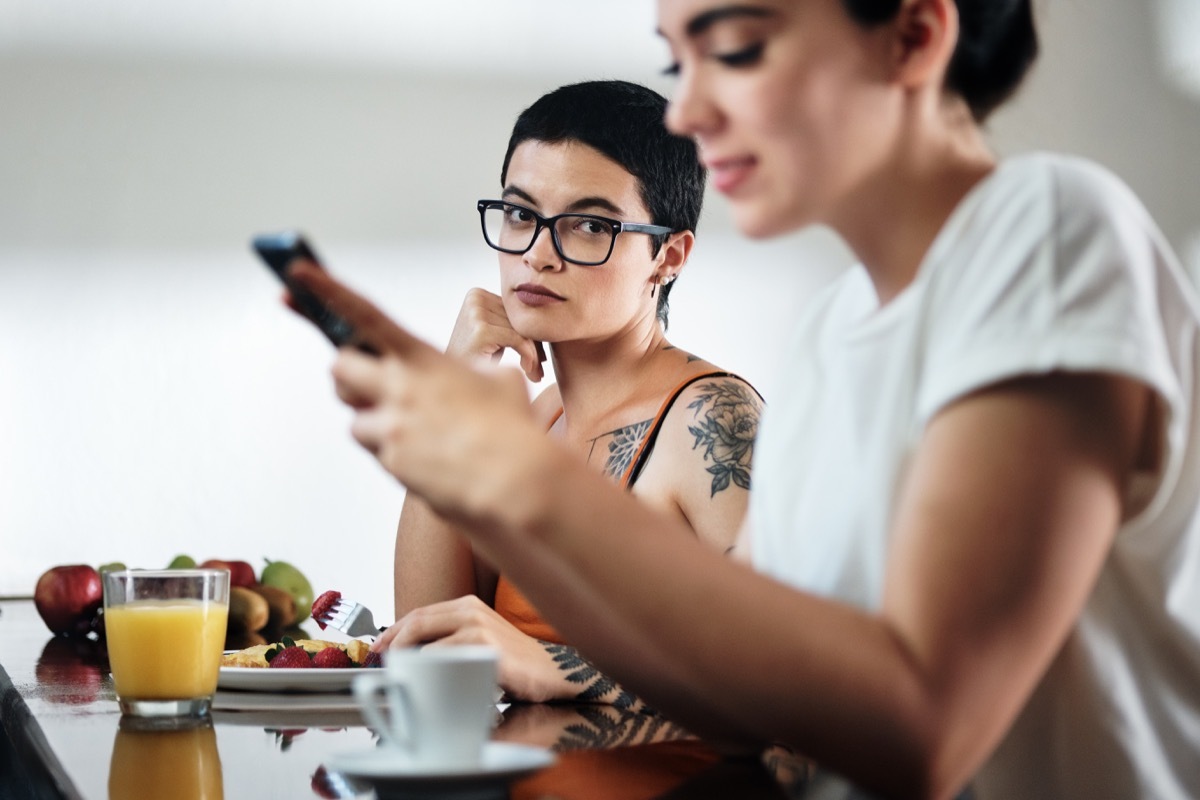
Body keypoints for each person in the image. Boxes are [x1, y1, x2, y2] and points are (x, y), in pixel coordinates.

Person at [288, 0, 1200, 797]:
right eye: (675, 60)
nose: (687, 108)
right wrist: (464, 471)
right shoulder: (833, 330)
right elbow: (739, 702)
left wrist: (513, 479)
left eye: (734, 48)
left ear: (913, 37)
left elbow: (927, 726)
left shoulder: (1047, 228)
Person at [374, 80, 763, 707]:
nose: (538, 253)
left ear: (668, 255)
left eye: (588, 225)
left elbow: (795, 676)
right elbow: (431, 642)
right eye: (522, 214)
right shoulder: (538, 421)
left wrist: (556, 666)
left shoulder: (708, 420)